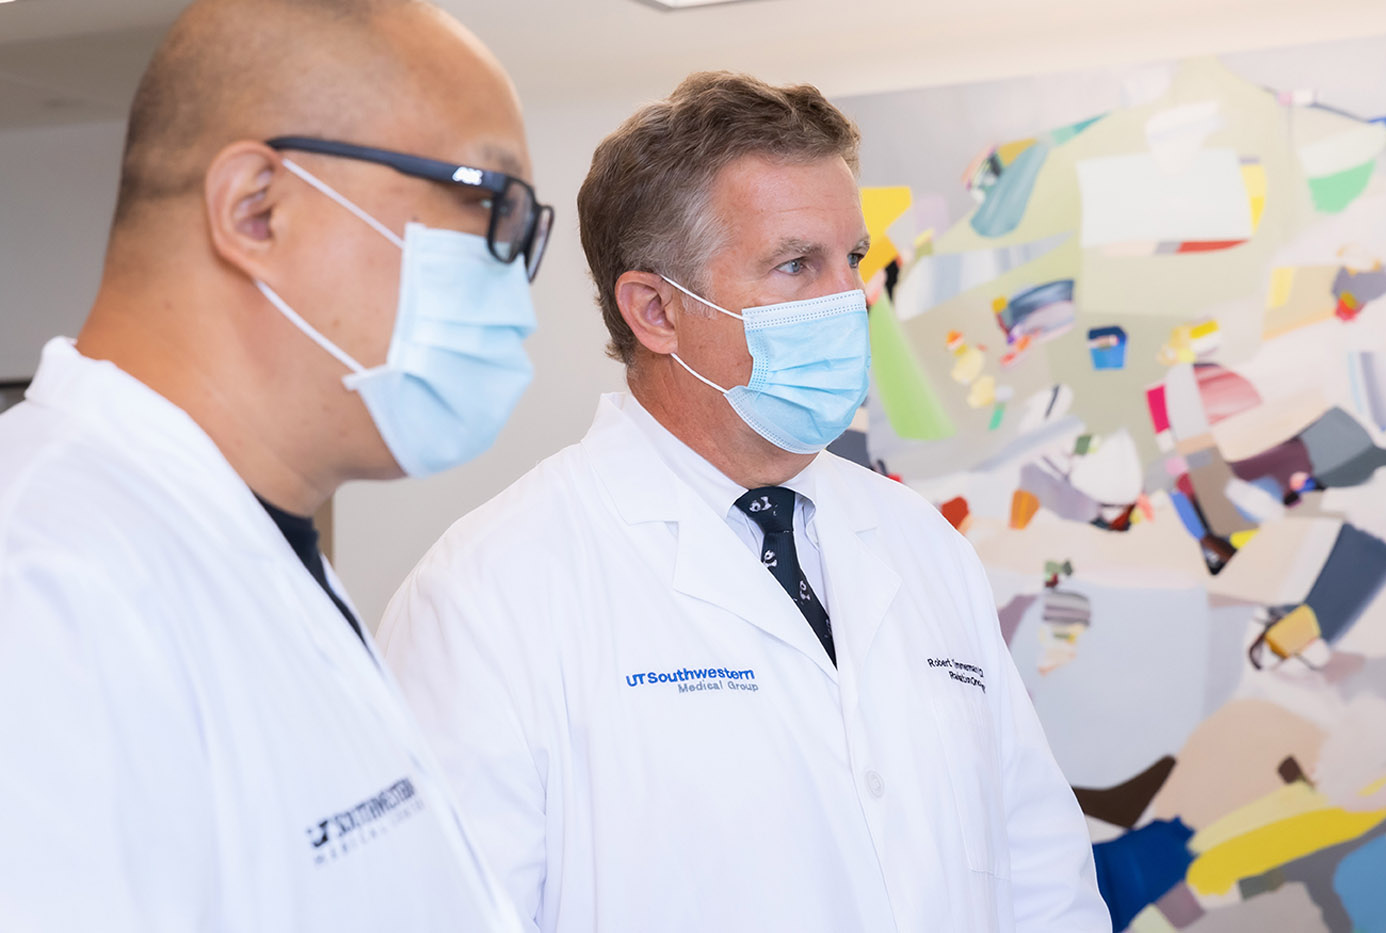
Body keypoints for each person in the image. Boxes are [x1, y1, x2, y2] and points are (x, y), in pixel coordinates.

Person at [378, 72, 1110, 932]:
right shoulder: (486, 594)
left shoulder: (921, 542)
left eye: (855, 260)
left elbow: (1043, 879)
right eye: (797, 265)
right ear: (655, 310)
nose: (849, 300)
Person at [0, 0, 552, 929]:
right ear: (257, 209)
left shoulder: (254, 546)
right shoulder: (43, 588)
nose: (512, 279)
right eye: (486, 200)